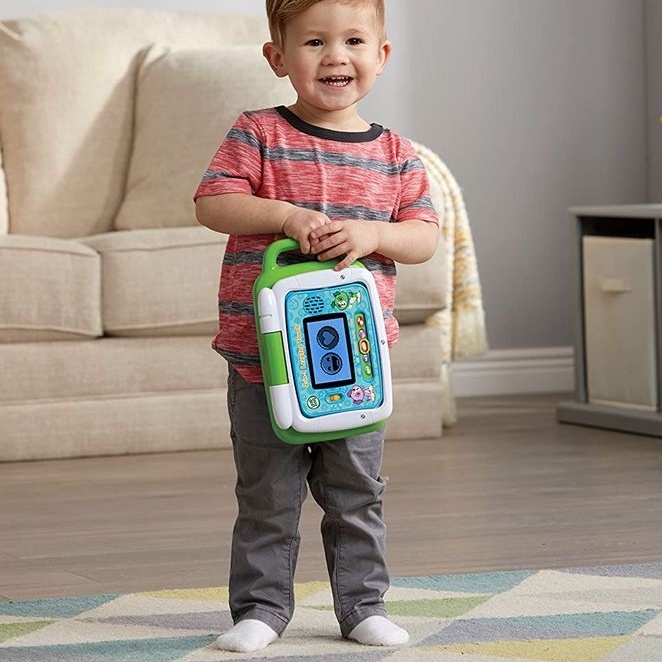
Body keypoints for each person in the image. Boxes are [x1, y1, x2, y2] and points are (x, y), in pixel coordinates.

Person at [195, 0, 440, 653]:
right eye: (313, 42)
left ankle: (363, 605)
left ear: (381, 55)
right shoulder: (258, 132)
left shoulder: (396, 153)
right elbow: (213, 203)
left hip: (356, 365)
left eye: (354, 40)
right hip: (264, 361)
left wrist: (373, 234)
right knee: (267, 493)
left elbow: (423, 237)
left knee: (357, 490)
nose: (336, 56)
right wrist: (284, 217)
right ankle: (260, 608)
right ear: (277, 57)